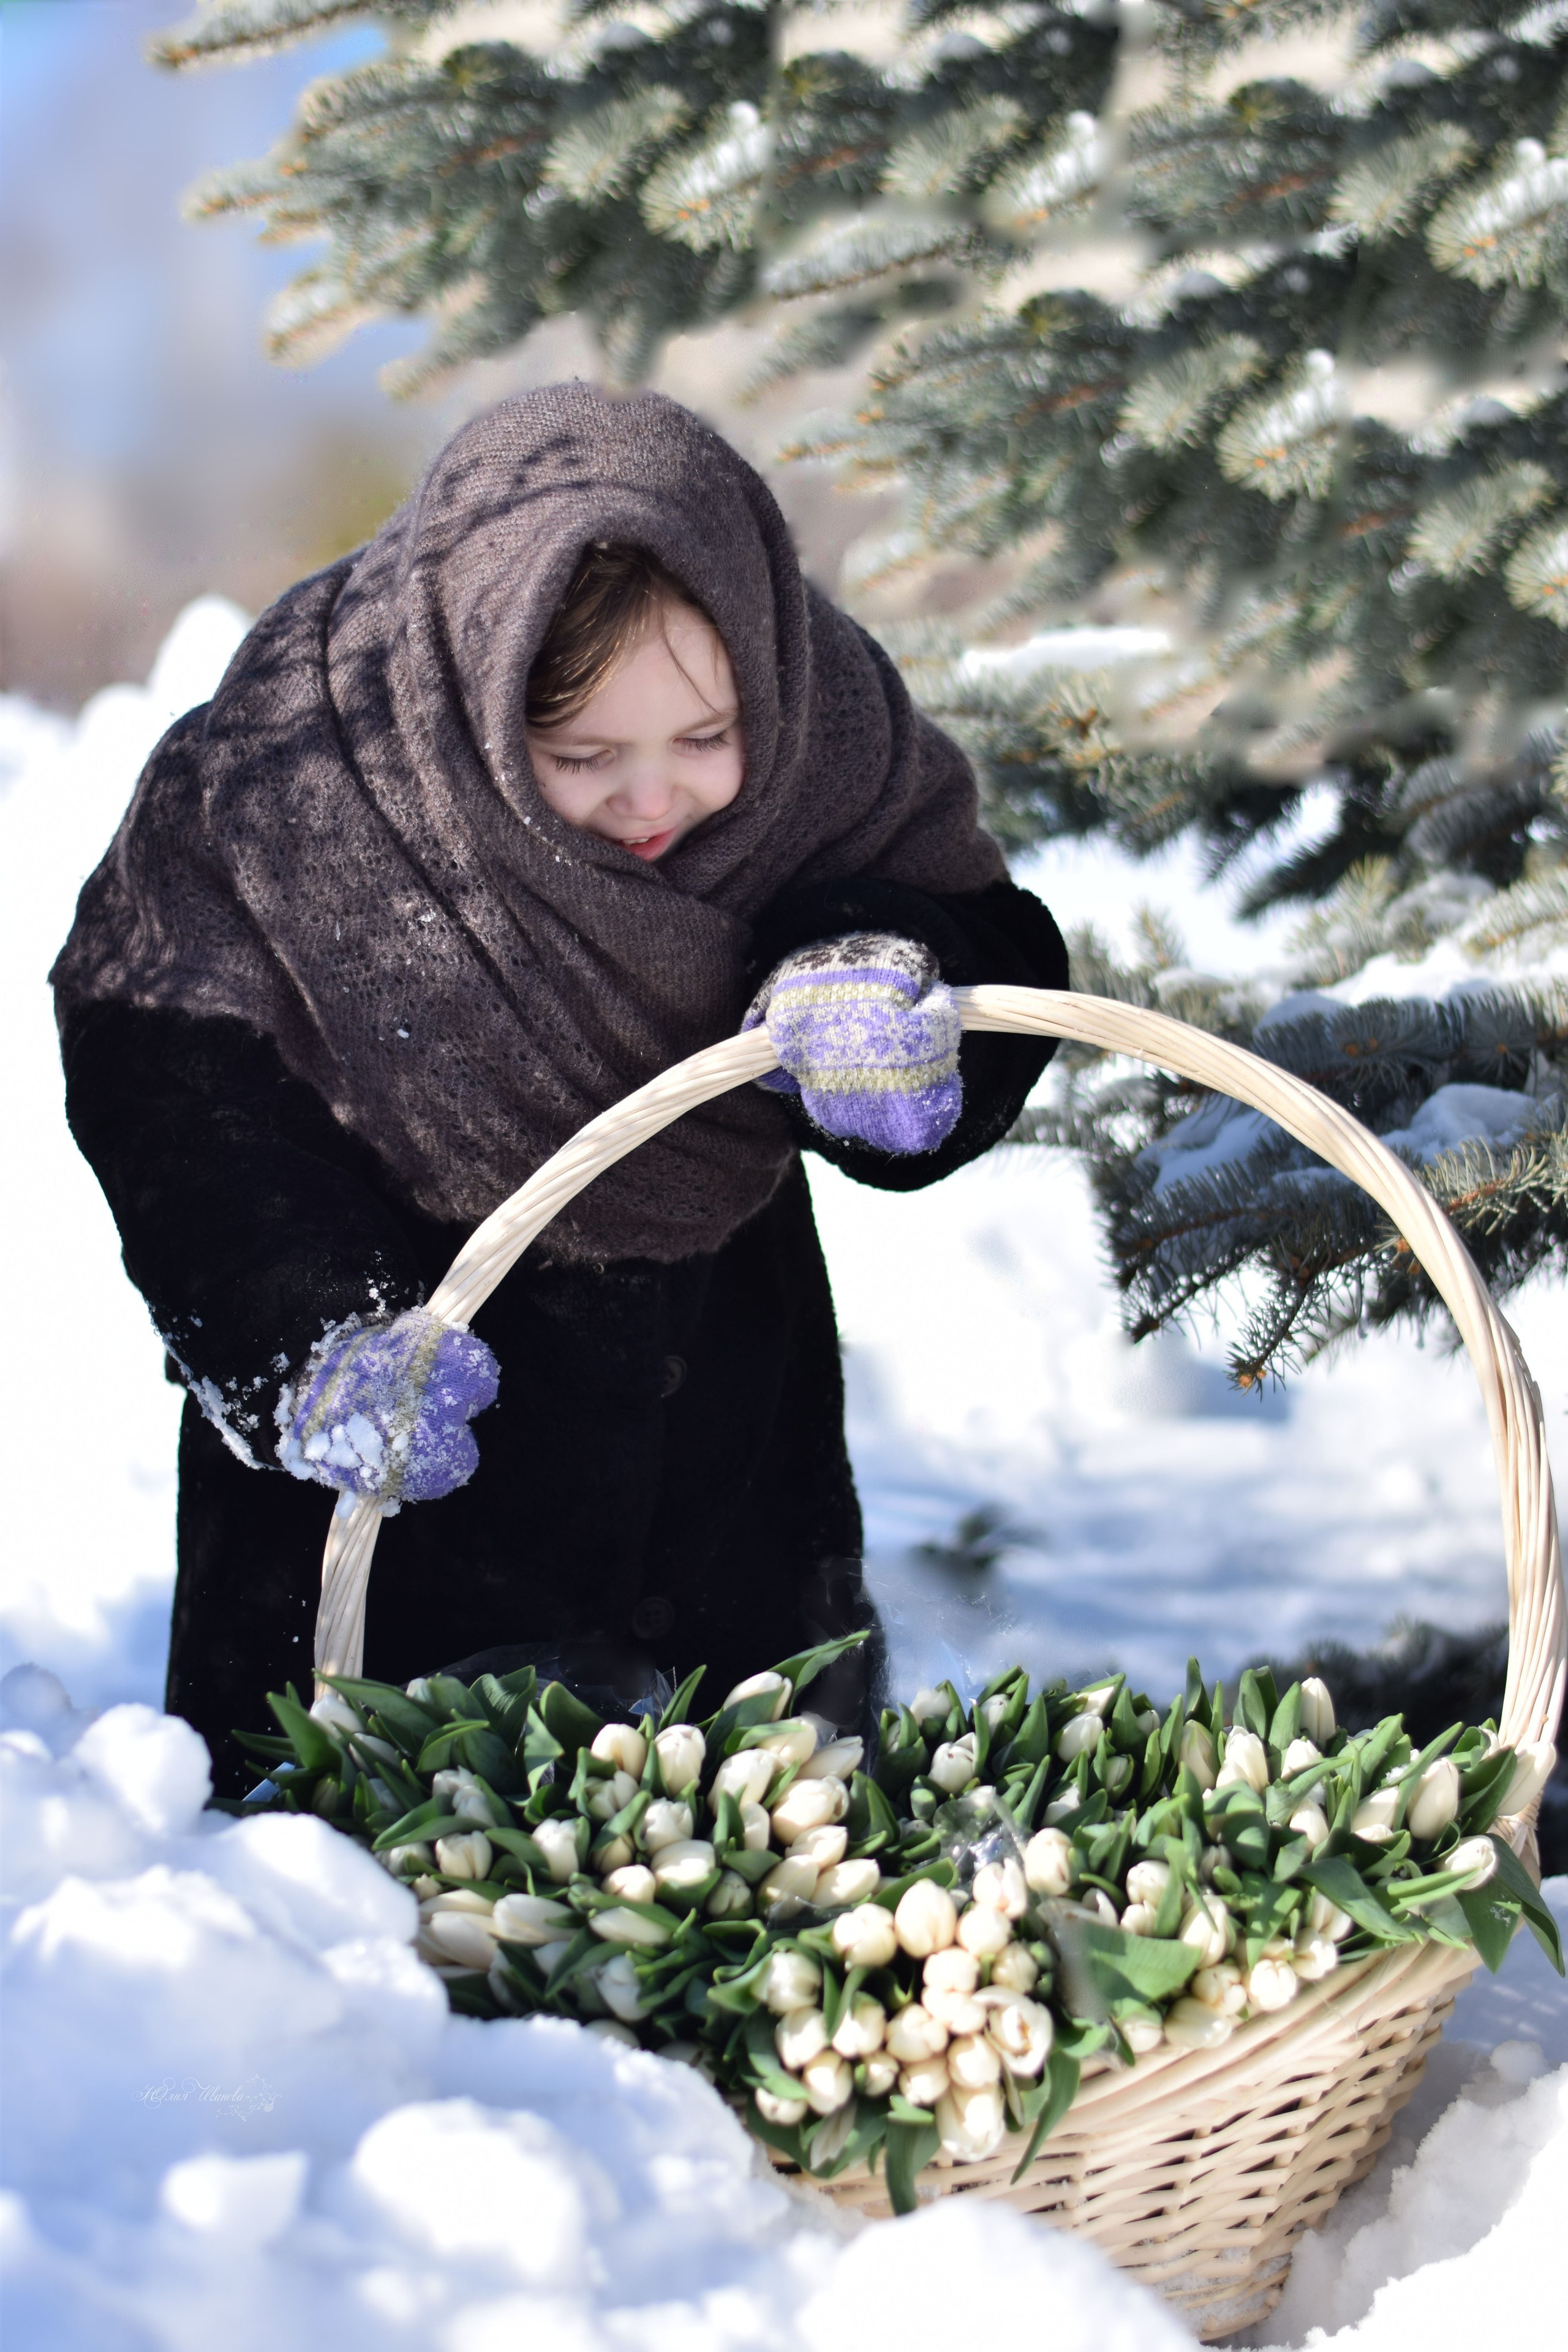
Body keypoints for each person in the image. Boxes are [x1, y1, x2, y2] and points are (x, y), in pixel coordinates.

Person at [51, 385, 1068, 1792]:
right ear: (472, 704)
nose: (652, 800)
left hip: (720, 1407)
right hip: (396, 1454)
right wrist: (305, 1326)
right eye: (584, 756)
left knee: (762, 1845)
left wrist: (886, 977)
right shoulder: (296, 776)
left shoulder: (825, 726)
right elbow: (168, 1074)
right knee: (393, 1861)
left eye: (704, 739)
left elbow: (972, 926)